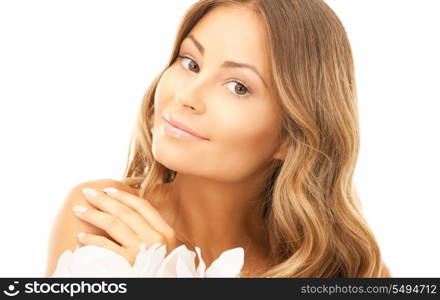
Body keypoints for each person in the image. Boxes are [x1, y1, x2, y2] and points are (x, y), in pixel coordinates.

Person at [45, 0, 391, 277]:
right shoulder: (102, 220)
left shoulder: (353, 272)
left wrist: (173, 274)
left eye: (238, 87)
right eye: (190, 63)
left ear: (290, 135)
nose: (187, 95)